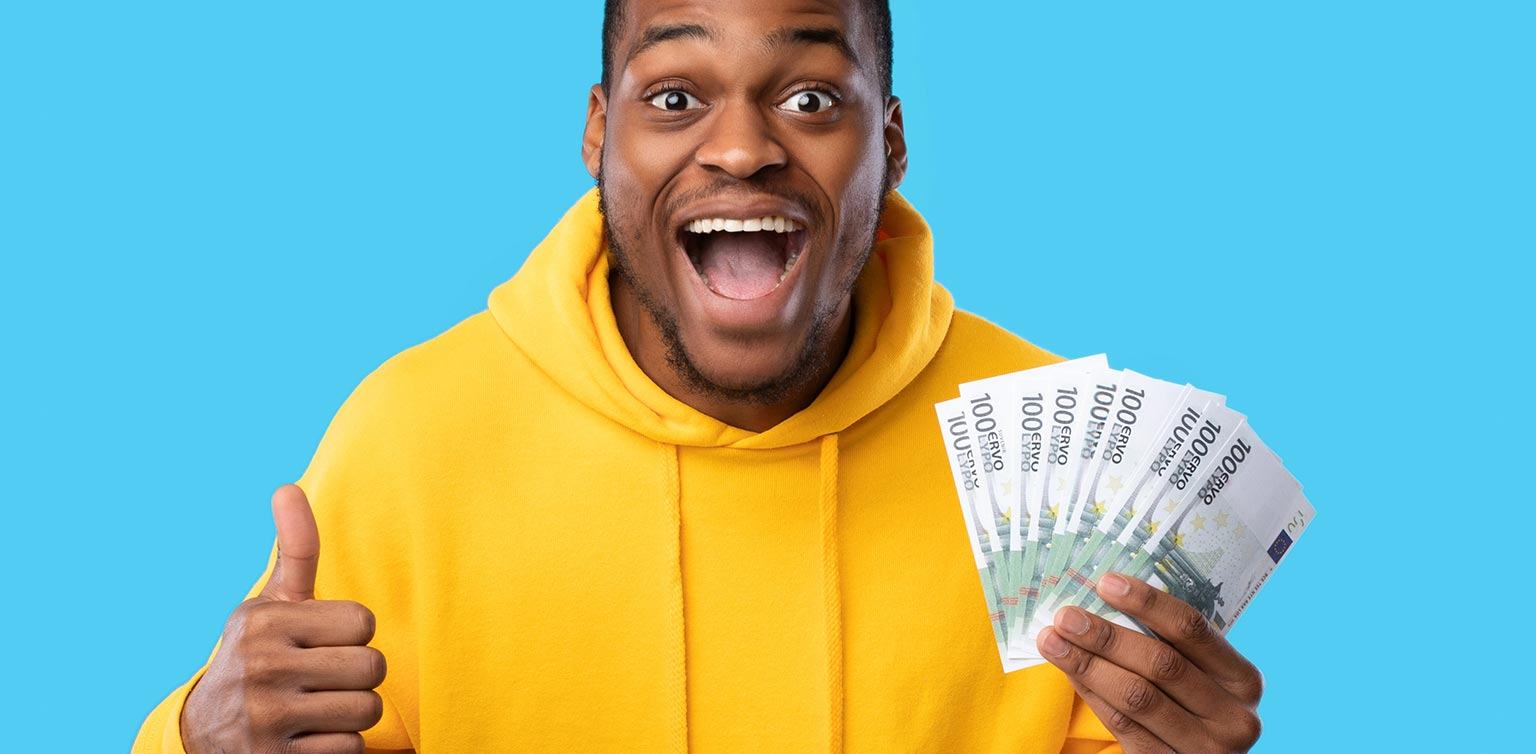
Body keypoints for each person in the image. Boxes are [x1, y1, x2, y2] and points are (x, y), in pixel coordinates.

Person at [133, 1, 1266, 752]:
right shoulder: (415, 438)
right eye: (676, 97)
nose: (740, 147)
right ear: (597, 133)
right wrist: (196, 738)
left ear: (895, 144)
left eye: (811, 98)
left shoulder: (1062, 461)